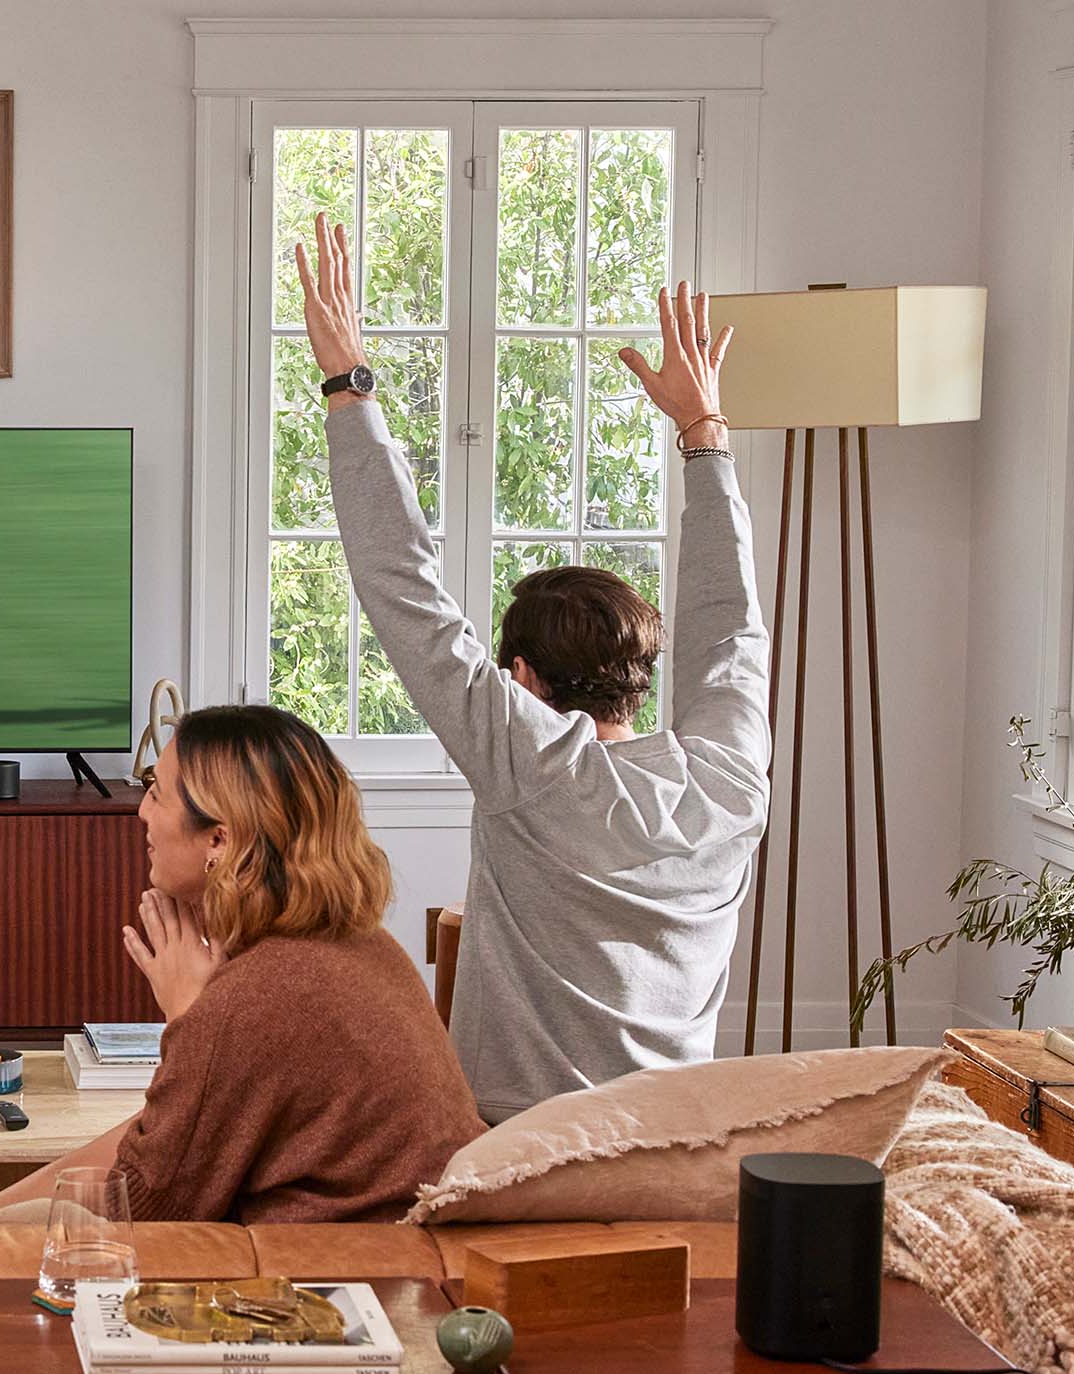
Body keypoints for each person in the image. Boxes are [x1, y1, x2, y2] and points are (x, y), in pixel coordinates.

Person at [296, 213, 772, 1121]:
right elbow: (731, 627)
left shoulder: (535, 766)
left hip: (515, 1156)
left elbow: (404, 589)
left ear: (522, 680)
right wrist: (703, 432)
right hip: (672, 1151)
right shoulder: (730, 779)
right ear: (640, 670)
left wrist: (348, 384)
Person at [0, 705, 482, 1224]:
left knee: (38, 1226)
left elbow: (149, 1205)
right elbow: (169, 1141)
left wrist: (191, 1018)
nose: (142, 811)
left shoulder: (257, 995)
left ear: (219, 840)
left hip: (348, 1283)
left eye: (157, 793)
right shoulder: (364, 944)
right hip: (403, 1255)